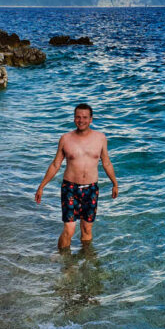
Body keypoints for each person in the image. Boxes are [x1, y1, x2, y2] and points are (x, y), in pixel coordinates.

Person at [35, 103, 118, 250]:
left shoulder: (100, 138)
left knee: (87, 229)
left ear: (91, 119)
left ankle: (86, 263)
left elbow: (106, 163)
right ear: (74, 119)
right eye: (78, 117)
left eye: (85, 117)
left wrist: (115, 183)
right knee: (69, 229)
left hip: (91, 189)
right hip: (70, 188)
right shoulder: (66, 139)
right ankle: (64, 263)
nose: (81, 120)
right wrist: (41, 186)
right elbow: (55, 165)